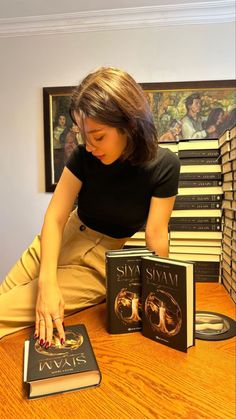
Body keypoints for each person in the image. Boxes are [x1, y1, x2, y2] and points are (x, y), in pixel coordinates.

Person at [0, 67, 180, 347]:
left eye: (98, 136)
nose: (91, 146)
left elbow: (156, 235)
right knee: (3, 300)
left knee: (4, 314)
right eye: (85, 136)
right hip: (59, 239)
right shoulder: (83, 156)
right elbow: (55, 218)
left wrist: (162, 294)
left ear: (129, 125)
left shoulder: (164, 166)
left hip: (100, 264)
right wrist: (47, 283)